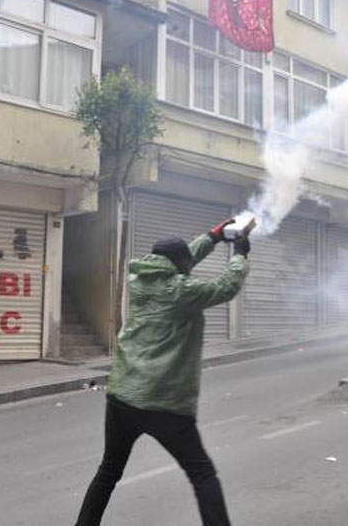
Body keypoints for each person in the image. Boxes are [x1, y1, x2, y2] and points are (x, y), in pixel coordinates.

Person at [75, 218, 250, 526]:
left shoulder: (140, 278)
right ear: (179, 265)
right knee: (202, 474)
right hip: (164, 402)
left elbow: (180, 260)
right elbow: (226, 287)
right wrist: (239, 254)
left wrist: (212, 236)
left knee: (108, 471)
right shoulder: (181, 291)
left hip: (123, 395)